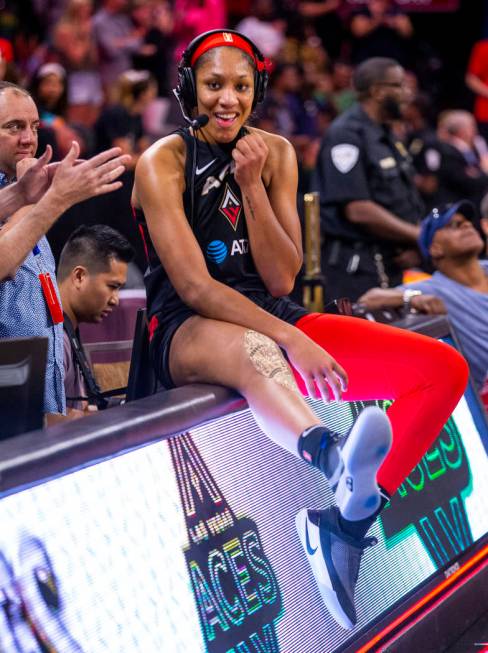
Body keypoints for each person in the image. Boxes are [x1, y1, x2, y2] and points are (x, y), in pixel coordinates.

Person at [132, 30, 468, 630]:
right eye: (213, 86)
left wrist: (255, 187)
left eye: (240, 86)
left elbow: (283, 277)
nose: (227, 99)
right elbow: (195, 288)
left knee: (443, 369)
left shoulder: (277, 153)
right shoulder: (164, 161)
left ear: (257, 89)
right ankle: (328, 455)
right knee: (258, 344)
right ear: (189, 90)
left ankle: (345, 526)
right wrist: (294, 339)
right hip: (185, 325)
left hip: (269, 309)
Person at [0, 81, 131, 425]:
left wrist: (58, 415)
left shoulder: (21, 192)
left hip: (35, 416)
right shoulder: (32, 203)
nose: (29, 139)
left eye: (33, 126)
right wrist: (54, 199)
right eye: (14, 127)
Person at [313, 56, 424, 303]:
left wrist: (411, 243)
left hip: (388, 261)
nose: (407, 93)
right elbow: (357, 209)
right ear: (377, 91)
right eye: (399, 85)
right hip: (356, 268)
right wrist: (417, 235)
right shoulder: (346, 134)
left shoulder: (386, 133)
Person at [358, 200, 488, 392]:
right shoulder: (431, 289)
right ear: (435, 248)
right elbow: (368, 300)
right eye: (454, 225)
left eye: (468, 221)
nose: (467, 225)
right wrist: (410, 298)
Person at [57, 224, 134, 413]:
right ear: (80, 276)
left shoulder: (66, 331)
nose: (116, 300)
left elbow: (71, 410)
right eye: (112, 286)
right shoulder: (53, 339)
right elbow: (42, 423)